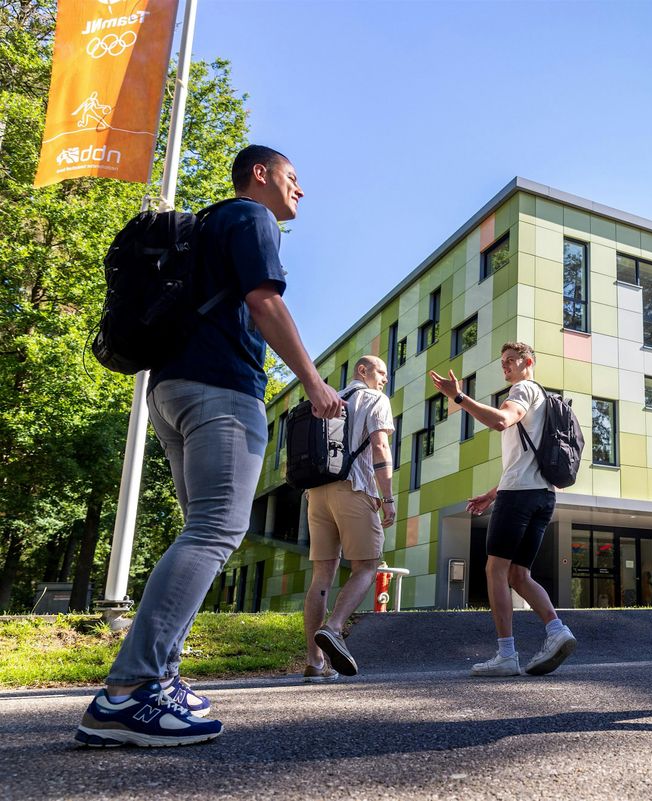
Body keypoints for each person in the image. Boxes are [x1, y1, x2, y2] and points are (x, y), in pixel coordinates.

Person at [76, 145, 344, 747]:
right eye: (293, 178)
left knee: (202, 530)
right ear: (261, 174)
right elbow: (264, 300)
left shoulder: (205, 226)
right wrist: (313, 381)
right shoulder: (251, 217)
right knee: (216, 530)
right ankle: (130, 691)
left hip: (170, 393)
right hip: (221, 391)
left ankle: (159, 681)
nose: (300, 192)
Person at [429, 342, 576, 677]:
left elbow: (501, 421)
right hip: (542, 495)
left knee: (495, 570)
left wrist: (459, 398)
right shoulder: (545, 398)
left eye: (512, 361)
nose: (506, 367)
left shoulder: (522, 389)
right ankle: (557, 632)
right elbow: (528, 460)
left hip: (520, 495)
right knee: (518, 574)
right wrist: (494, 493)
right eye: (503, 362)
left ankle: (506, 654)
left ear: (528, 362)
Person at [303, 355, 395, 682]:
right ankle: (335, 628)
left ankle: (315, 662)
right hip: (354, 488)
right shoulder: (375, 399)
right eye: (380, 371)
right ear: (363, 370)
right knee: (367, 566)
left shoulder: (331, 399)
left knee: (321, 574)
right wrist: (388, 497)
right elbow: (380, 447)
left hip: (317, 492)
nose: (385, 378)